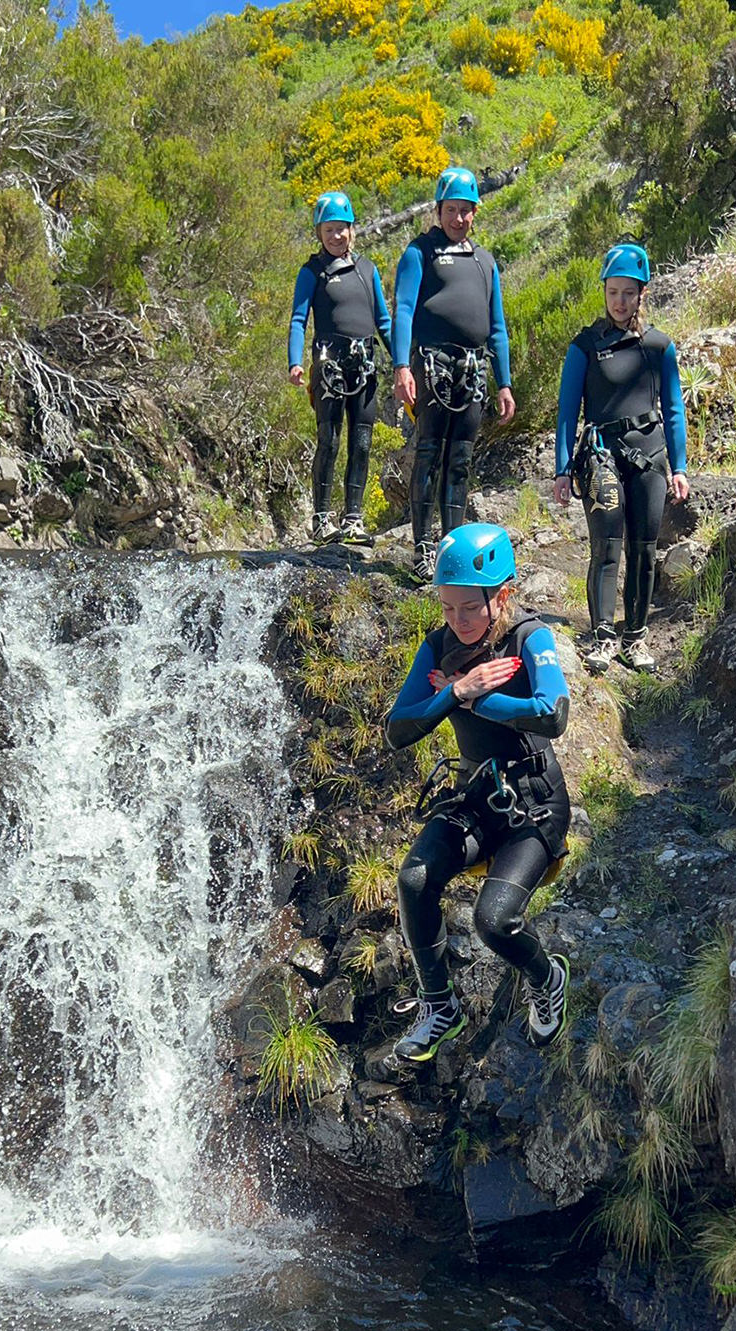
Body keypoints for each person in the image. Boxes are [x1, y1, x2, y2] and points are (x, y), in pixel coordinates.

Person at [385, 522, 571, 1064]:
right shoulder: (439, 647)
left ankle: (545, 976)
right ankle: (438, 1005)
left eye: (470, 607)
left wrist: (481, 704)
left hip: (534, 803)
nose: (458, 621)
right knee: (415, 879)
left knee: (493, 921)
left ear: (502, 594)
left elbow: (553, 712)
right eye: (448, 607)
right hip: (475, 798)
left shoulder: (529, 636)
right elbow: (399, 729)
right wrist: (459, 692)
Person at [553, 241, 690, 673]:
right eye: (613, 292)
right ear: (605, 291)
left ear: (642, 294)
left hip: (651, 457)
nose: (619, 301)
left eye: (628, 293)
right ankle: (603, 637)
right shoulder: (585, 346)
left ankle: (636, 637)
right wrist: (561, 469)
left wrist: (680, 468)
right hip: (601, 458)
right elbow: (566, 412)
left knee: (644, 550)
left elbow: (673, 409)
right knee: (607, 548)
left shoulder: (659, 347)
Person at [392, 167, 515, 584]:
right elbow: (404, 310)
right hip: (431, 365)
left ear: (475, 213)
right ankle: (423, 549)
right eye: (451, 210)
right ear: (438, 209)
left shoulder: (485, 261)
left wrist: (504, 382)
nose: (458, 218)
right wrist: (401, 367)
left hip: (472, 370)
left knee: (460, 459)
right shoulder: (419, 252)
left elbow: (496, 325)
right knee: (429, 453)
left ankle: (453, 549)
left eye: (466, 211)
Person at [288, 189, 393, 545]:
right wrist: (295, 362)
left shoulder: (367, 270)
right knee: (329, 442)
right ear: (319, 233)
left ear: (352, 229)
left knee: (361, 443)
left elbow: (384, 321)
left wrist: (403, 361)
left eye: (342, 228)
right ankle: (320, 520)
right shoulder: (312, 272)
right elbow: (299, 319)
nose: (337, 236)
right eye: (329, 230)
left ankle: (353, 519)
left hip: (363, 367)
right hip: (328, 368)